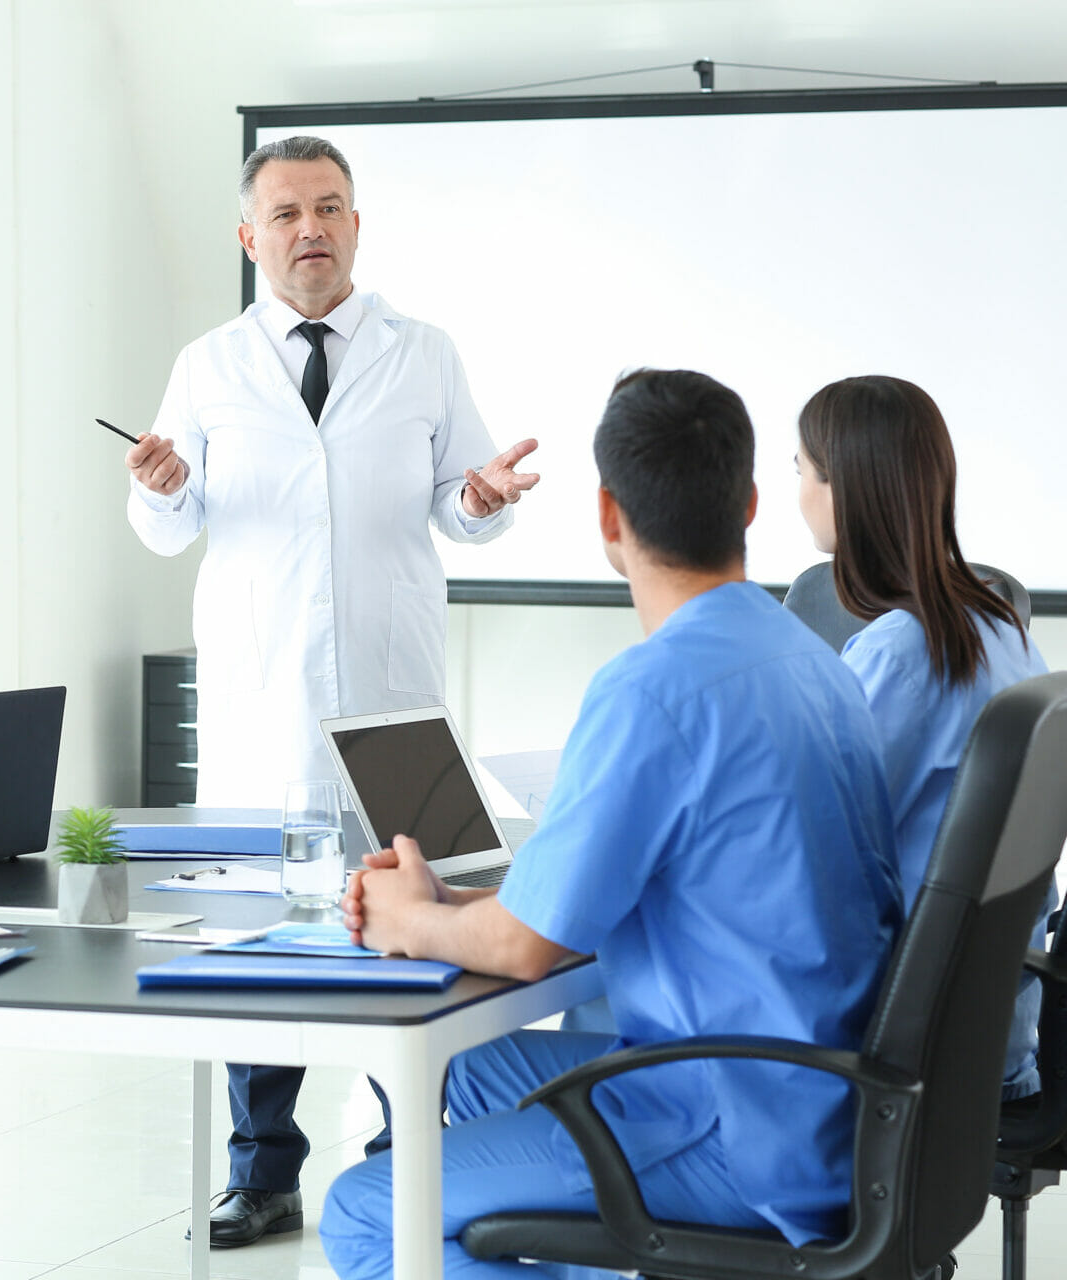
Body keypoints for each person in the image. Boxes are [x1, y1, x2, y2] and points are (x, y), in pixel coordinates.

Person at [320, 369, 903, 1280]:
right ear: (749, 504)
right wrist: (460, 901)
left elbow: (524, 950)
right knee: (470, 1069)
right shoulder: (815, 660)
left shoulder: (651, 690)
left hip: (729, 1122)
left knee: (367, 1210)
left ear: (605, 517)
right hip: (827, 1099)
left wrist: (406, 919)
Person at [124, 133, 542, 1245]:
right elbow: (170, 525)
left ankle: (410, 1152)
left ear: (357, 223)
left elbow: (465, 500)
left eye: (332, 208)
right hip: (265, 706)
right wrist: (163, 487)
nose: (312, 228)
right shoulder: (210, 362)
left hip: (397, 698)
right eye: (289, 212)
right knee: (261, 941)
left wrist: (488, 496)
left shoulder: (426, 352)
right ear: (249, 234)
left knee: (421, 916)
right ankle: (263, 1171)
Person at [797, 373, 1050, 1097]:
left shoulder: (901, 655)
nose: (797, 489)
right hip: (989, 1025)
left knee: (621, 982)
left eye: (801, 469)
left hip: (898, 1045)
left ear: (842, 487)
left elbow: (811, 858)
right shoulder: (1002, 630)